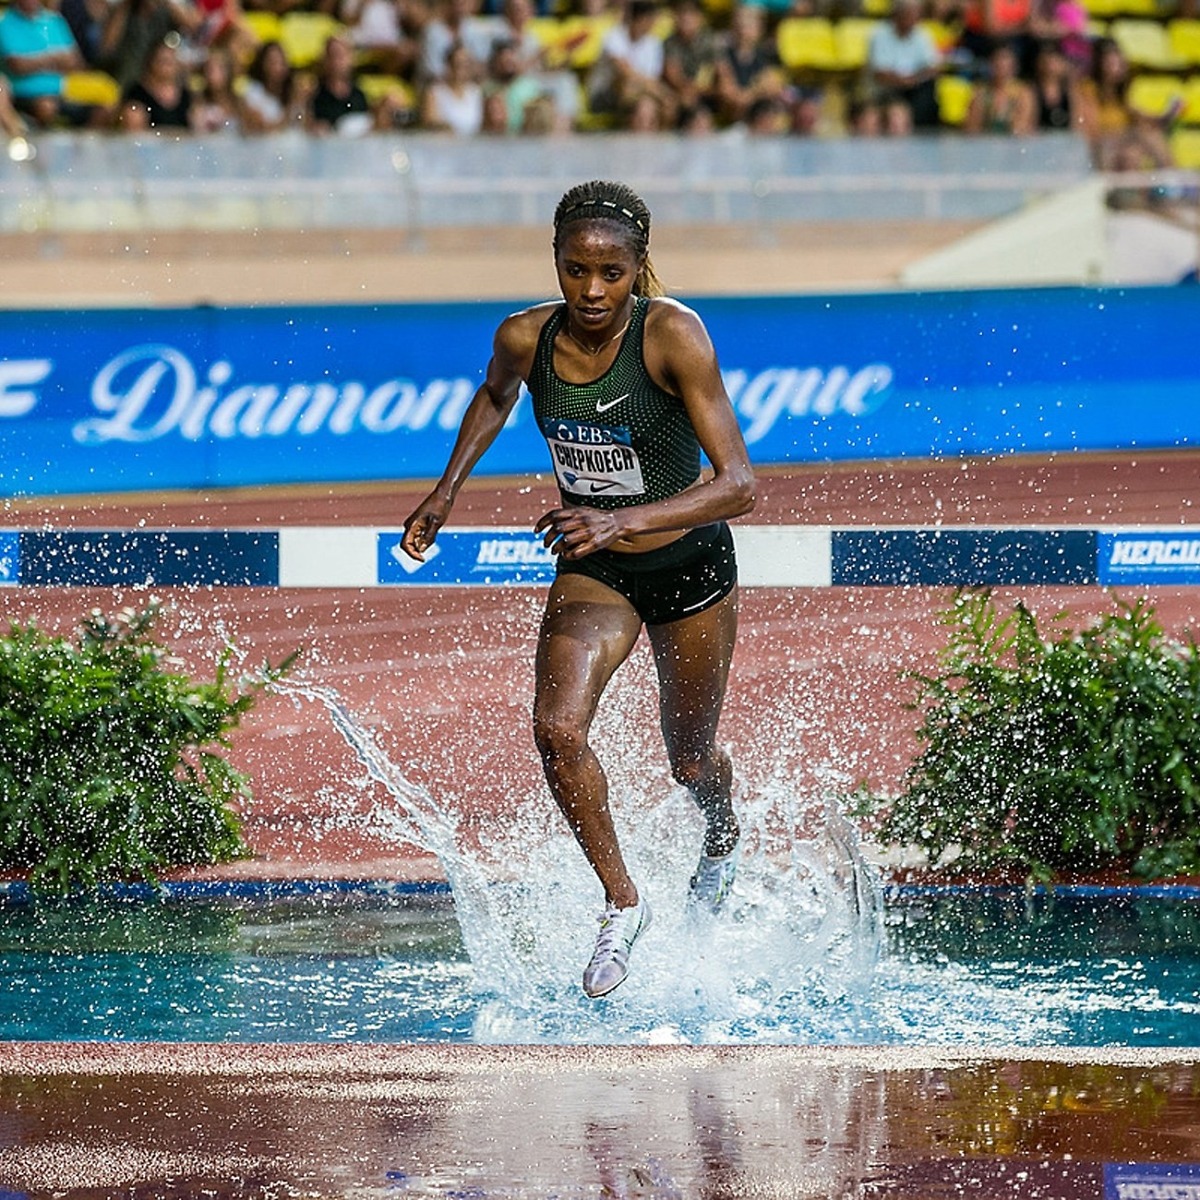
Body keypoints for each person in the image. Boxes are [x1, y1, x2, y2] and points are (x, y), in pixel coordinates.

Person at [400, 180, 756, 1000]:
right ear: (554, 262)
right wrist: (447, 489)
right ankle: (623, 904)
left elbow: (738, 484)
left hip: (689, 566)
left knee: (690, 757)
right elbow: (495, 395)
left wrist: (621, 519)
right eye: (575, 270)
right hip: (596, 569)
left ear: (639, 269)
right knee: (556, 729)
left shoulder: (674, 336)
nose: (591, 291)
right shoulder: (526, 337)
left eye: (611, 274)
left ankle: (725, 834)